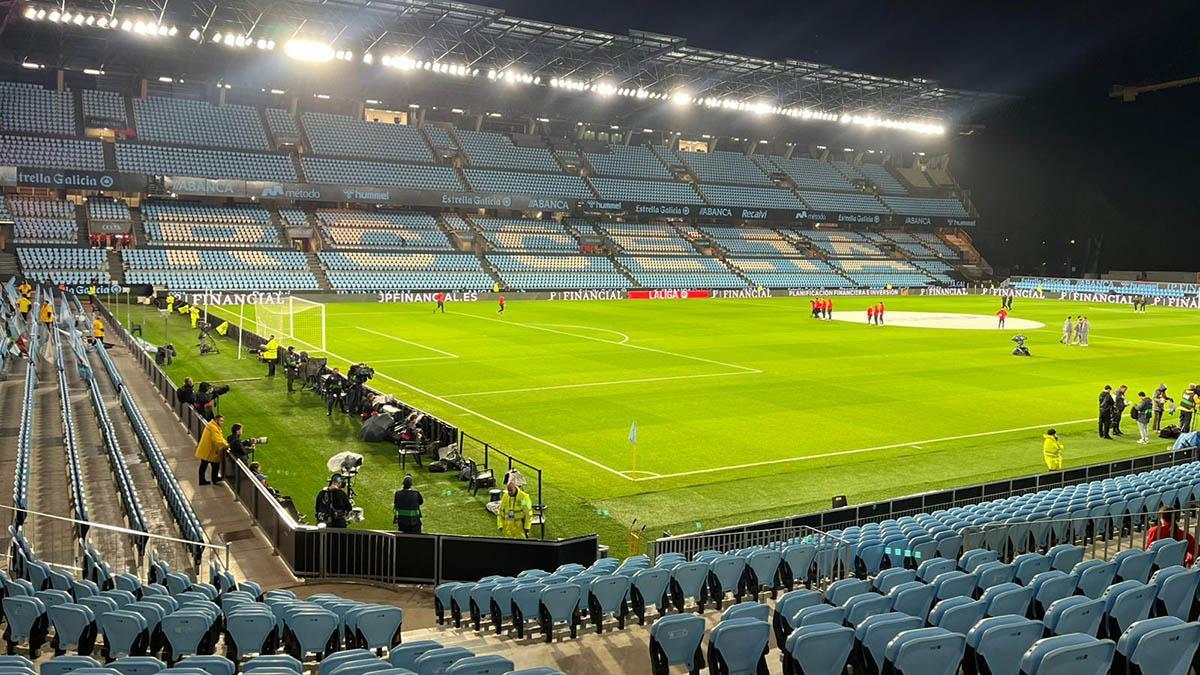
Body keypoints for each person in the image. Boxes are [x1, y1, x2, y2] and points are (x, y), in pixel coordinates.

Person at [194, 414, 228, 485]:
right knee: (212, 464)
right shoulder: (213, 427)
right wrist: (227, 445)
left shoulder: (212, 425)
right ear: (216, 420)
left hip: (207, 449)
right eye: (221, 421)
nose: (222, 422)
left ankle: (206, 479)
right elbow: (217, 440)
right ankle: (212, 479)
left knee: (206, 465)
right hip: (209, 450)